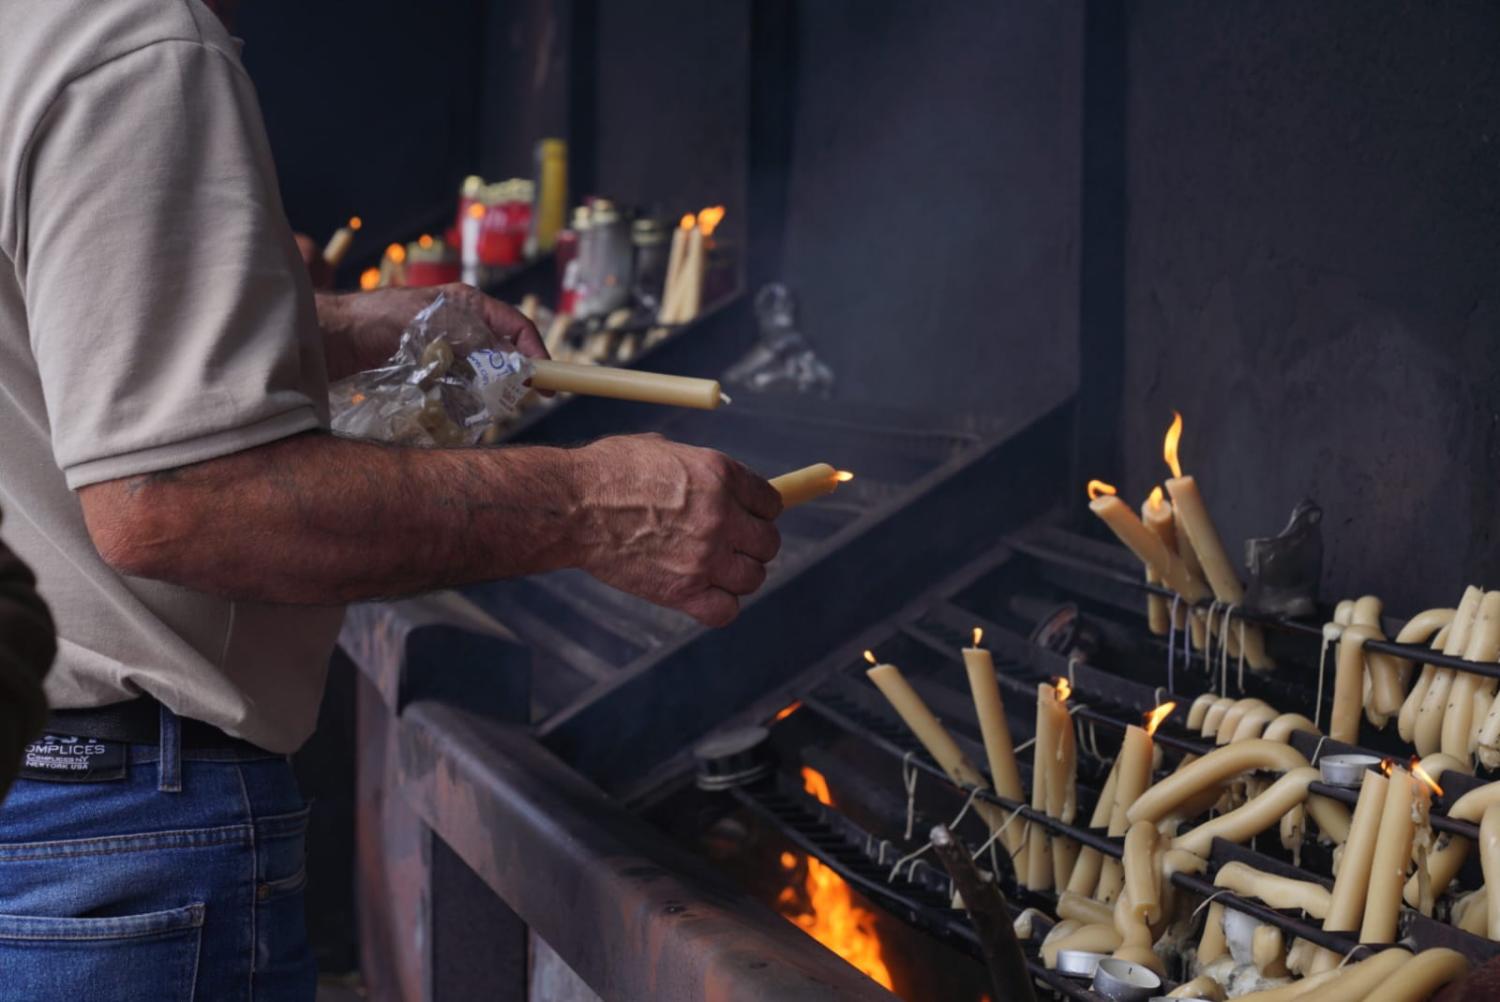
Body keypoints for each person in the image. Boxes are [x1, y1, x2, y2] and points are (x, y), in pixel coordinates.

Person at [0, 1, 781, 998]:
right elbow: (176, 502)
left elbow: (44, 326)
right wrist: (595, 502)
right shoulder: (134, 39)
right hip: (106, 835)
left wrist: (321, 325)